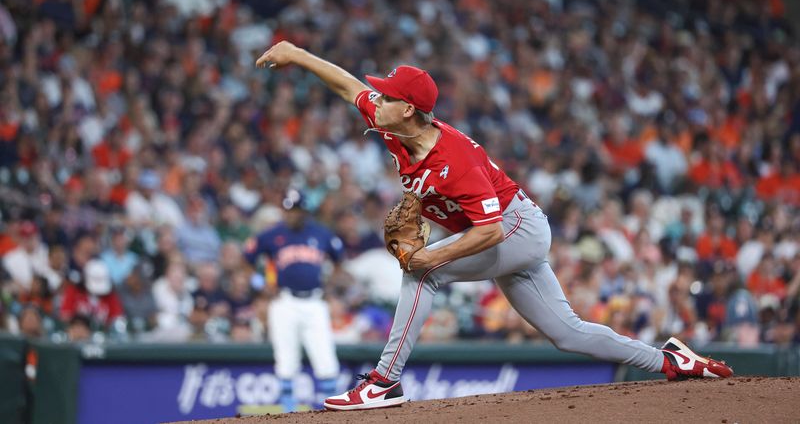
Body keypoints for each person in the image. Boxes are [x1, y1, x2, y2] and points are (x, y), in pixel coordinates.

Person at [255, 41, 735, 411]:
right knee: (567, 333)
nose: (374, 98)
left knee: (422, 272)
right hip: (504, 230)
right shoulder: (393, 124)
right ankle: (672, 360)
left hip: (515, 229)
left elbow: (489, 232)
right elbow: (345, 85)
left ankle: (384, 381)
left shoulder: (453, 158)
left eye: (386, 94)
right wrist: (296, 54)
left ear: (408, 109)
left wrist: (432, 256)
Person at [244, 189, 343, 412]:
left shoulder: (321, 234)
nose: (293, 215)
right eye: (289, 210)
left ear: (305, 211)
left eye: (297, 210)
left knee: (326, 360)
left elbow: (338, 260)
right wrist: (261, 284)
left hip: (315, 301)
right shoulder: (272, 234)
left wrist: (330, 287)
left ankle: (334, 414)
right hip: (284, 302)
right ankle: (288, 412)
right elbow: (247, 259)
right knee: (286, 361)